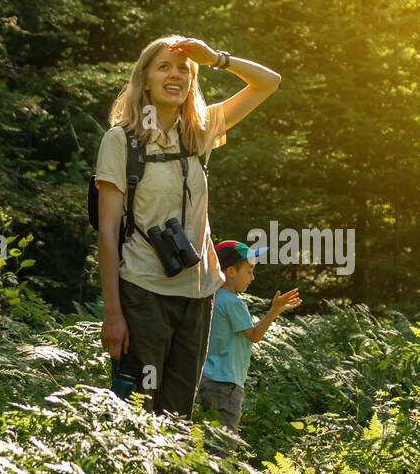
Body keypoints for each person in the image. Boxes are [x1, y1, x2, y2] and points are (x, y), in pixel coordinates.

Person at [94, 36, 280, 416]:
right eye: (164, 67)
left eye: (184, 70)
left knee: (178, 415)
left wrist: (216, 59)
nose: (175, 75)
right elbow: (107, 232)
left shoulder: (200, 131)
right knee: (137, 410)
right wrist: (112, 312)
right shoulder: (121, 141)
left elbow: (269, 82)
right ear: (144, 78)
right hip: (144, 292)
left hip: (198, 295)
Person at [198, 240, 301, 447]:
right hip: (227, 384)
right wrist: (273, 311)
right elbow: (254, 335)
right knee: (224, 446)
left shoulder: (210, 297)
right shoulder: (233, 302)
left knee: (208, 442)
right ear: (230, 271)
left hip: (207, 380)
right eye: (249, 271)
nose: (253, 277)